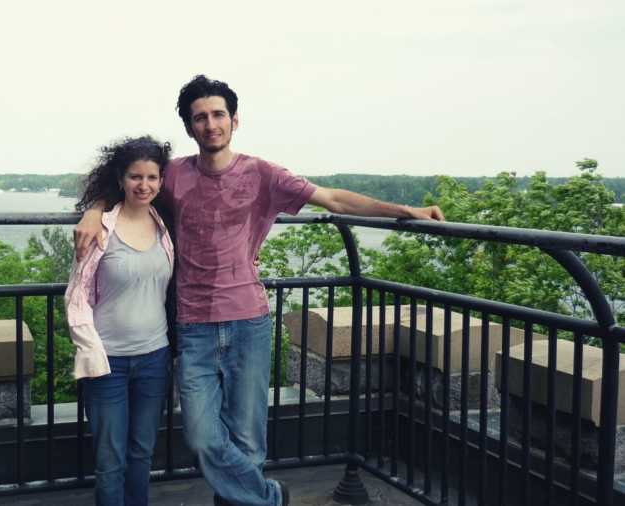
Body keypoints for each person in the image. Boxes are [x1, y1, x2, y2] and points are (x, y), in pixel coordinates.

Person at [74, 76, 445, 506]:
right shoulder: (174, 176)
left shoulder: (263, 174)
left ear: (234, 120)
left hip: (249, 320)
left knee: (248, 439)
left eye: (218, 115)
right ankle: (270, 498)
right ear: (190, 127)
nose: (210, 124)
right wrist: (94, 210)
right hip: (193, 326)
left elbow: (336, 201)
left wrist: (407, 210)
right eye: (200, 118)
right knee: (199, 435)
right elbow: (126, 187)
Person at [64, 136, 175, 506]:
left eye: (152, 177)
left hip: (155, 358)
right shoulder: (99, 230)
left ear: (161, 181)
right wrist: (90, 352)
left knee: (141, 454)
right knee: (110, 461)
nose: (143, 185)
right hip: (107, 362)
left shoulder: (166, 226)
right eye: (135, 177)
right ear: (121, 178)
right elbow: (76, 299)